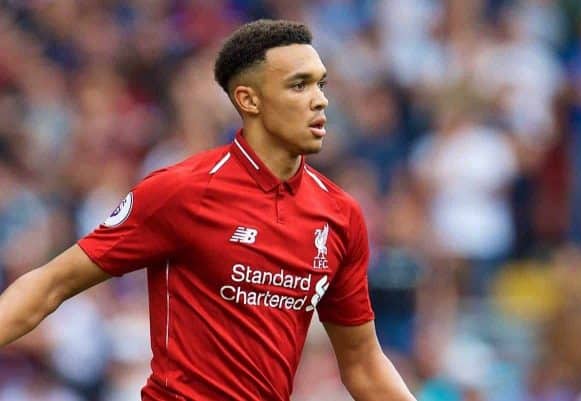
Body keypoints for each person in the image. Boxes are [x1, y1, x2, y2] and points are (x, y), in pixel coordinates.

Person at [0, 19, 416, 401]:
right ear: (249, 99)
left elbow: (362, 365)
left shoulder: (340, 215)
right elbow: (50, 285)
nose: (320, 101)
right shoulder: (182, 191)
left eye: (321, 84)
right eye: (299, 85)